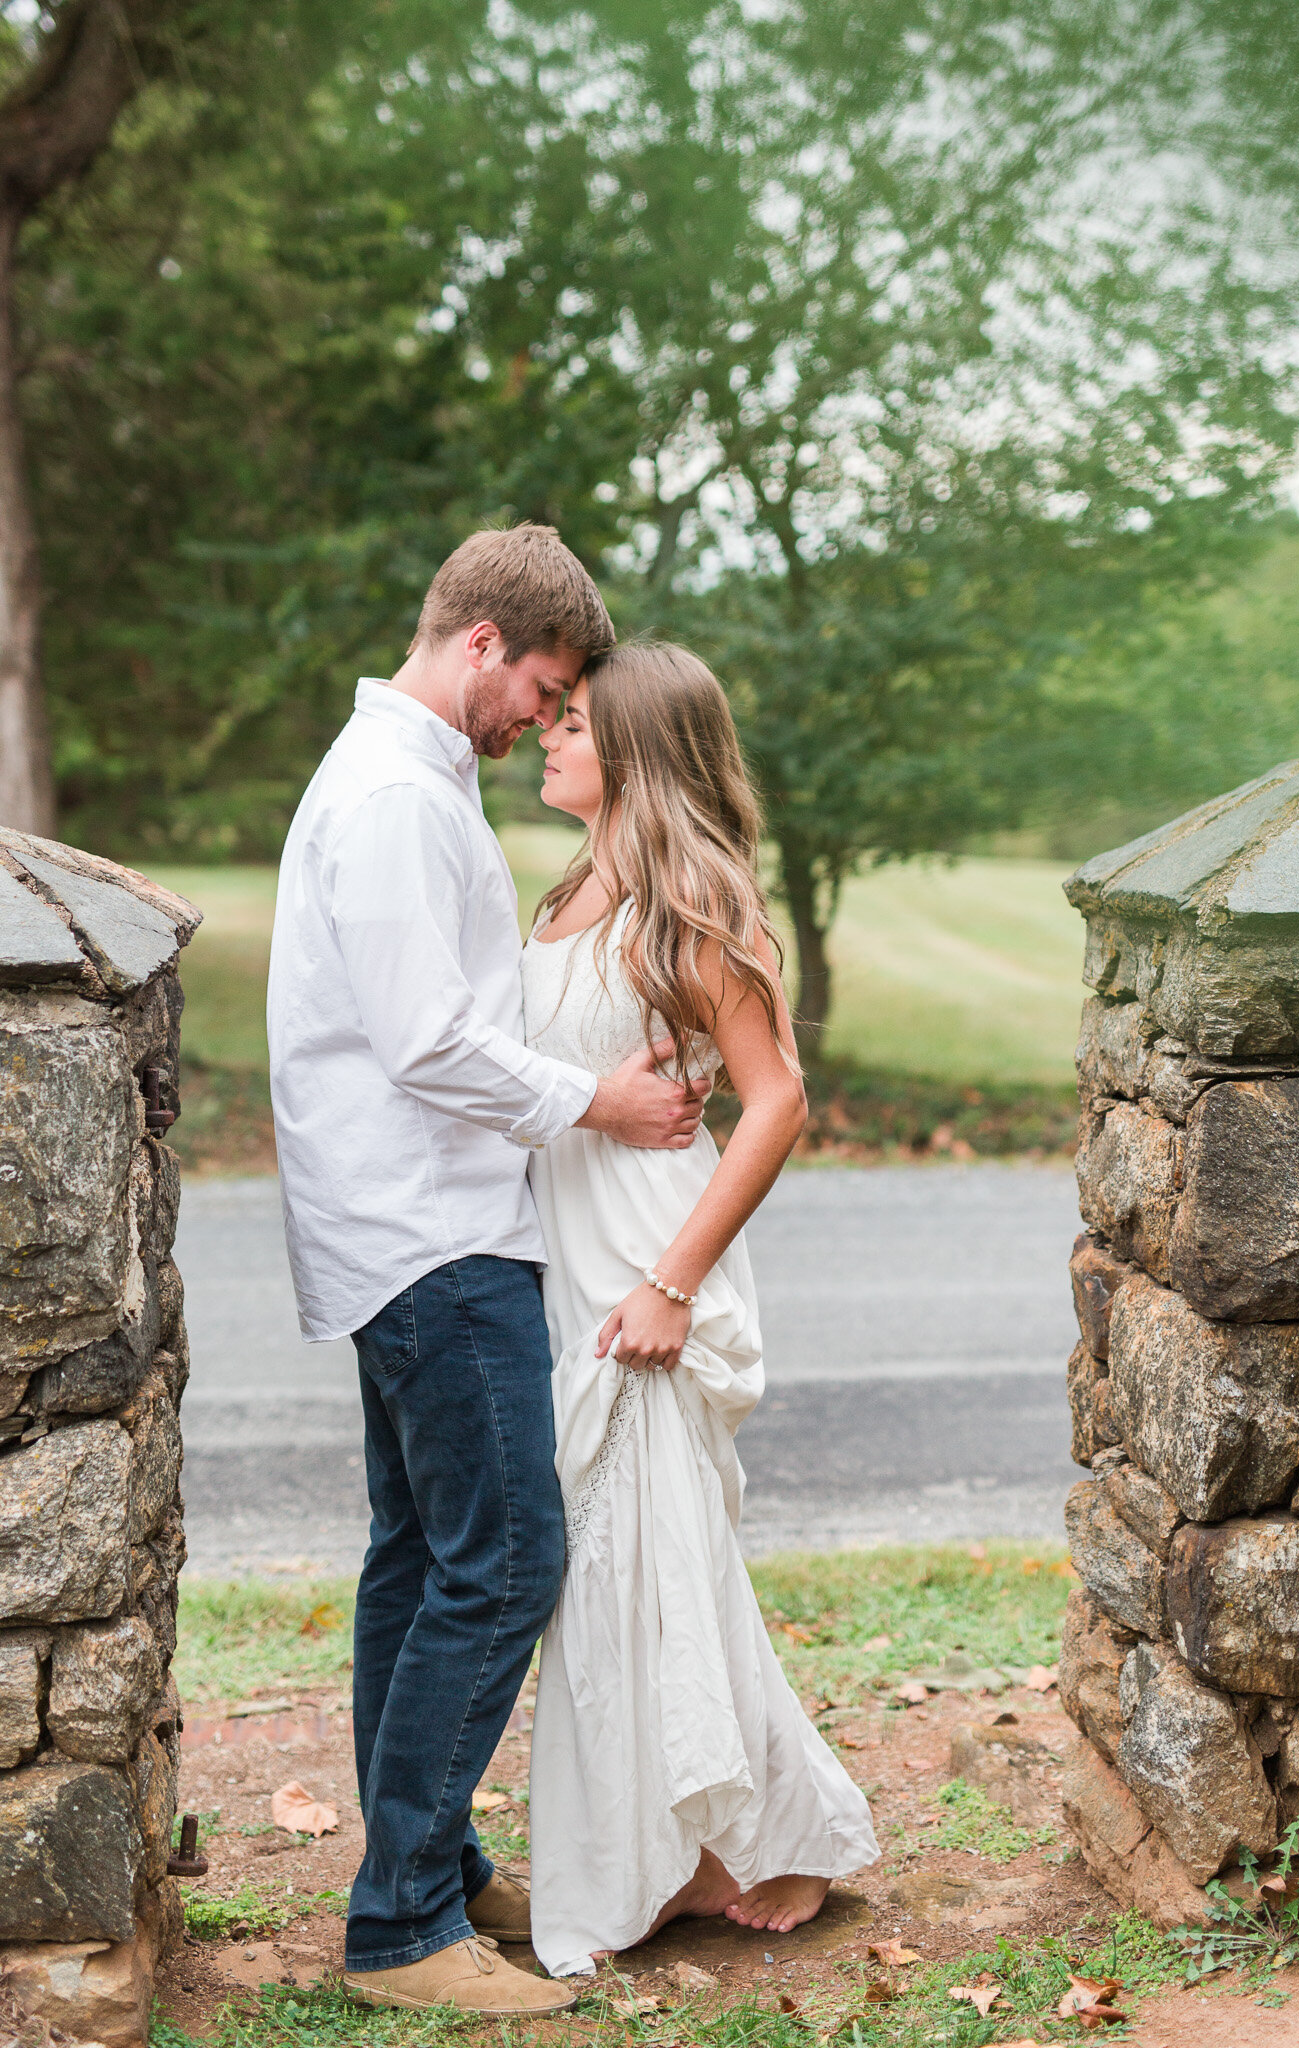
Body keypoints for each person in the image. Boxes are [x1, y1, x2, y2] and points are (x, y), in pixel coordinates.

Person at [267, 528, 707, 2018]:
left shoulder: (416, 777)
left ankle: (434, 1868)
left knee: (421, 1555)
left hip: (419, 1225)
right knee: (509, 1554)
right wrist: (608, 1104)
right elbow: (426, 1043)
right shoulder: (394, 795)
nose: (542, 716)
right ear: (478, 645)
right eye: (543, 683)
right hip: (430, 1235)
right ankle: (399, 1931)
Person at [522, 642, 878, 1977]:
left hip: (643, 1264)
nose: (550, 739)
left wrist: (671, 1284)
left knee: (651, 1556)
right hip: (563, 1259)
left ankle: (762, 1844)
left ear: (633, 752)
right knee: (610, 1568)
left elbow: (775, 1099)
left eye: (573, 724)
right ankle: (690, 1850)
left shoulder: (691, 901)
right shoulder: (568, 888)